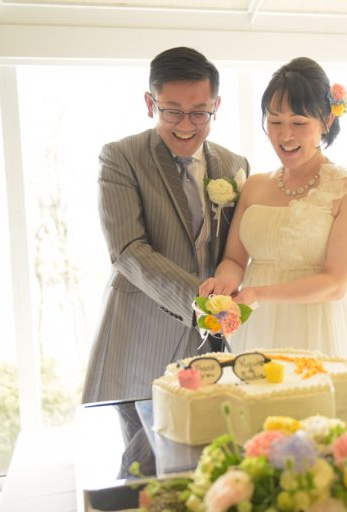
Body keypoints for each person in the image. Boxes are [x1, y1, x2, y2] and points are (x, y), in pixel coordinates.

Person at [82, 47, 250, 403]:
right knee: (141, 438)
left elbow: (237, 250)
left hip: (212, 347)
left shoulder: (235, 165)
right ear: (150, 103)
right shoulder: (121, 157)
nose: (186, 126)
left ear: (216, 107)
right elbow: (127, 249)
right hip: (141, 334)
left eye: (199, 113)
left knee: (213, 433)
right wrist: (201, 303)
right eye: (172, 111)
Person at [199, 57, 347, 368]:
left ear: (327, 121)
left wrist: (258, 293)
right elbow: (234, 260)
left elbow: (336, 283)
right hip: (257, 328)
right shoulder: (254, 185)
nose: (285, 135)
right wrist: (223, 285)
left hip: (316, 328)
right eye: (275, 122)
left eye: (299, 123)